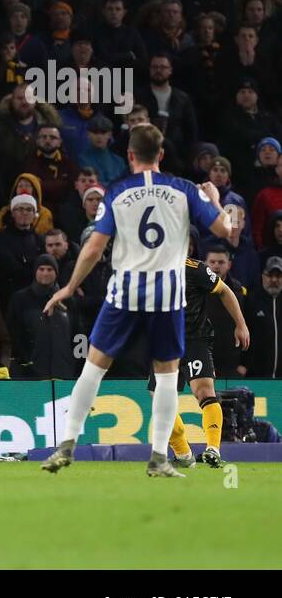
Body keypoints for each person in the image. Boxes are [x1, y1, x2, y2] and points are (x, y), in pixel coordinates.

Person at [42, 125, 230, 478]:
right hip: (168, 295)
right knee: (166, 377)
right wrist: (216, 200)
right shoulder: (185, 190)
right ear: (160, 154)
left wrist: (69, 286)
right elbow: (226, 230)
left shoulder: (117, 193)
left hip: (125, 290)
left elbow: (95, 247)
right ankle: (160, 458)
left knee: (94, 368)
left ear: (130, 155)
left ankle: (66, 444)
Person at [149, 256, 250, 470]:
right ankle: (184, 454)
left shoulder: (195, 269)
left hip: (195, 339)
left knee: (204, 391)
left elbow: (224, 291)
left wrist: (240, 324)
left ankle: (213, 448)